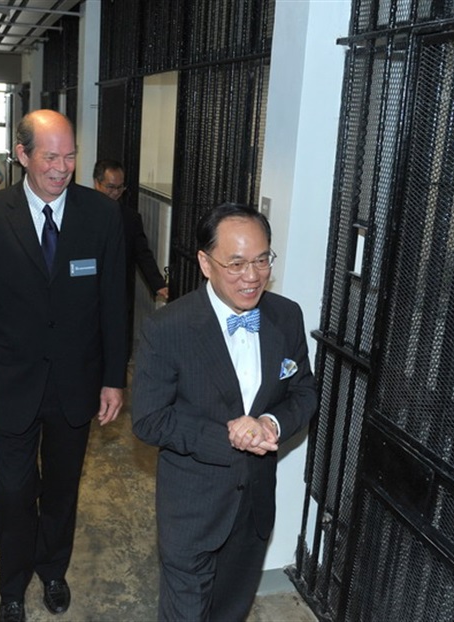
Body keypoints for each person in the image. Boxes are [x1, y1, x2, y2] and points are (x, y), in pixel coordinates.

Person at [0, 109, 128, 622]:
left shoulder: (101, 215)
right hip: (11, 381)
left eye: (70, 155)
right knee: (12, 489)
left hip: (75, 383)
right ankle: (11, 586)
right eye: (50, 156)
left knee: (61, 486)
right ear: (23, 155)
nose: (62, 167)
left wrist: (112, 378)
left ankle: (53, 570)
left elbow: (114, 304)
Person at [131, 203, 317, 621]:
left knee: (230, 612)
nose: (251, 277)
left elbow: (304, 391)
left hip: (253, 506)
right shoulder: (168, 329)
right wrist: (229, 437)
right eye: (235, 264)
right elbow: (148, 418)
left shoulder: (286, 316)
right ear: (205, 262)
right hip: (192, 507)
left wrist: (270, 423)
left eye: (261, 260)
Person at [93, 159, 168, 355]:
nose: (115, 193)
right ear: (96, 183)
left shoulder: (130, 218)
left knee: (118, 343)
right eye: (110, 187)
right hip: (88, 290)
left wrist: (158, 284)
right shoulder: (79, 214)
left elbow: (142, 253)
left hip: (118, 290)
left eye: (120, 188)